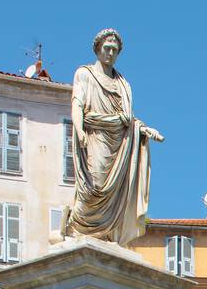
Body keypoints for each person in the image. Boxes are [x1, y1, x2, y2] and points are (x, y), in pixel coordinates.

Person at [64, 28, 162, 244]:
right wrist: (79, 129)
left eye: (114, 50)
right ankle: (75, 226)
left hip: (119, 145)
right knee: (94, 186)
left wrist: (143, 129)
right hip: (95, 135)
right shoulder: (85, 74)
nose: (110, 53)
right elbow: (77, 103)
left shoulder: (123, 84)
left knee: (115, 194)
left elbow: (128, 119)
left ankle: (107, 233)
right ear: (98, 49)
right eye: (106, 48)